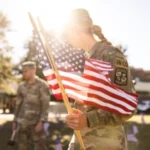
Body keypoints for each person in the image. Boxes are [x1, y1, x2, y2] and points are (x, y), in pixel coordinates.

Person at [61, 9, 137, 150]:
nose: (66, 37)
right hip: (82, 142)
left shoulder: (111, 56)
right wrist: (78, 117)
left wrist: (88, 119)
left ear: (78, 28)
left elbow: (127, 108)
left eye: (67, 32)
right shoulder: (84, 60)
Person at [12, 61, 50, 150]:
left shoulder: (42, 85)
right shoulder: (21, 86)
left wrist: (42, 122)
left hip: (36, 124)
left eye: (26, 71)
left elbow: (45, 105)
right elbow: (18, 105)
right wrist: (15, 121)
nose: (23, 74)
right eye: (23, 71)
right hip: (22, 124)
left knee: (40, 147)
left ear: (33, 70)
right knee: (22, 147)